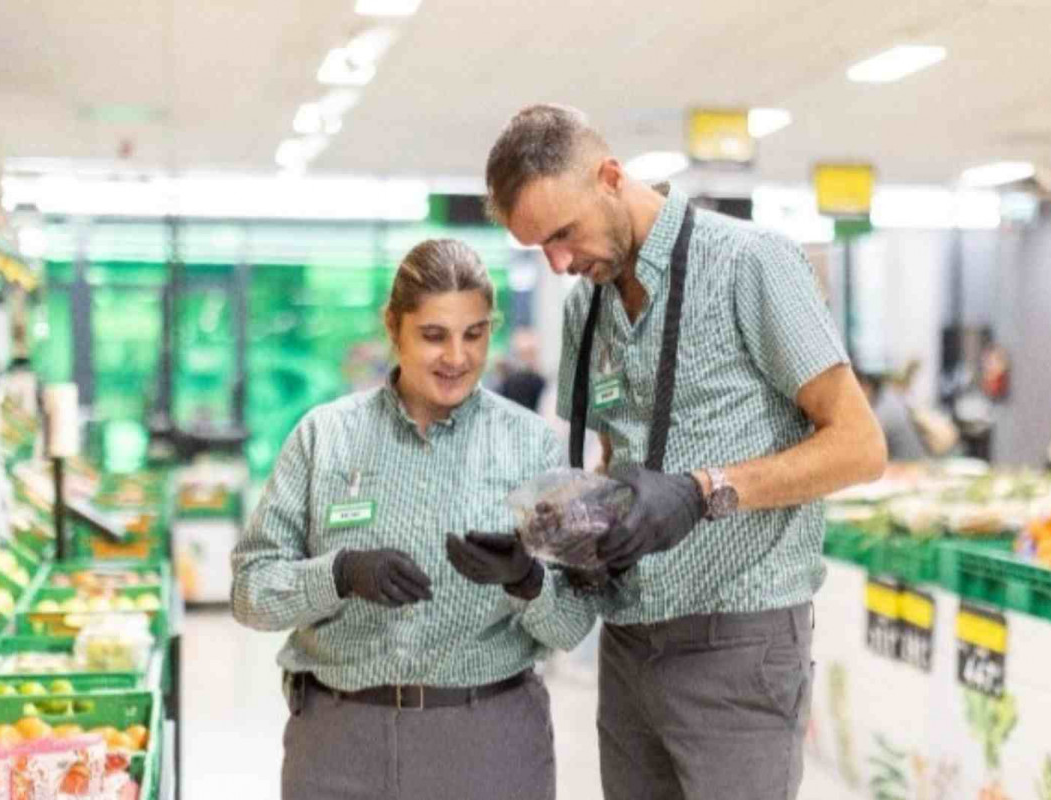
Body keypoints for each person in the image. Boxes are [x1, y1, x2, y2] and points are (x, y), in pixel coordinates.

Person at [482, 104, 887, 800]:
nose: (557, 264)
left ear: (609, 177)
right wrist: (565, 522)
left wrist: (705, 489)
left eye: (562, 234)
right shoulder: (588, 306)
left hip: (738, 636)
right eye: (537, 249)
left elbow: (859, 447)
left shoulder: (749, 262)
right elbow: (617, 458)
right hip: (629, 637)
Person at [231, 239, 595, 800]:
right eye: (434, 335)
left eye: (474, 333)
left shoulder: (532, 447)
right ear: (394, 327)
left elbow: (572, 623)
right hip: (339, 742)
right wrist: (339, 573)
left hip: (489, 744)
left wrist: (527, 579)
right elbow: (251, 593)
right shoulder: (324, 437)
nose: (457, 357)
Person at [857, 370, 928, 462]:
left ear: (865, 386)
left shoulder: (884, 409)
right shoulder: (886, 397)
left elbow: (864, 446)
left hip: (906, 466)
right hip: (906, 464)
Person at [496, 328, 548, 412]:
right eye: (526, 354)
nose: (529, 359)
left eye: (532, 353)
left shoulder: (541, 382)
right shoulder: (511, 383)